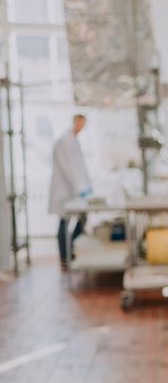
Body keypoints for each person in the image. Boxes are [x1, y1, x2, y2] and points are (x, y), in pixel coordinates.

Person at [48, 114, 91, 268]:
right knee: (64, 222)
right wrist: (79, 188)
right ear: (74, 122)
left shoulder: (74, 140)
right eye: (79, 123)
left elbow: (79, 167)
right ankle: (65, 256)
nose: (81, 126)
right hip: (64, 191)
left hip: (74, 190)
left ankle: (71, 250)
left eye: (83, 124)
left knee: (82, 218)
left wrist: (85, 187)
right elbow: (67, 169)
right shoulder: (63, 141)